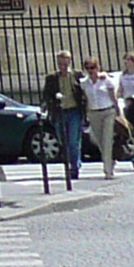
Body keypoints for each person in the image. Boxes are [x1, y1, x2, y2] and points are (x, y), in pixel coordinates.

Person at [39, 53, 87, 183]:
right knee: (62, 140)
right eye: (60, 64)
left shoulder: (77, 76)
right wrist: (44, 105)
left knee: (73, 140)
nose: (63, 67)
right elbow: (46, 94)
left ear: (70, 62)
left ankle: (74, 167)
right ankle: (70, 162)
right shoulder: (52, 78)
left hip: (74, 111)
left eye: (65, 64)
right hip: (59, 112)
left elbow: (84, 92)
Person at [80, 60, 119, 181]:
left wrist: (118, 111)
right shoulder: (84, 83)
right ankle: (110, 160)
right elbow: (84, 99)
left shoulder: (107, 80)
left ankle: (108, 170)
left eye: (93, 67)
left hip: (108, 111)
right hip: (93, 112)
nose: (91, 70)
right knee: (98, 140)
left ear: (98, 67)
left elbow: (113, 95)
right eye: (88, 68)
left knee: (107, 140)